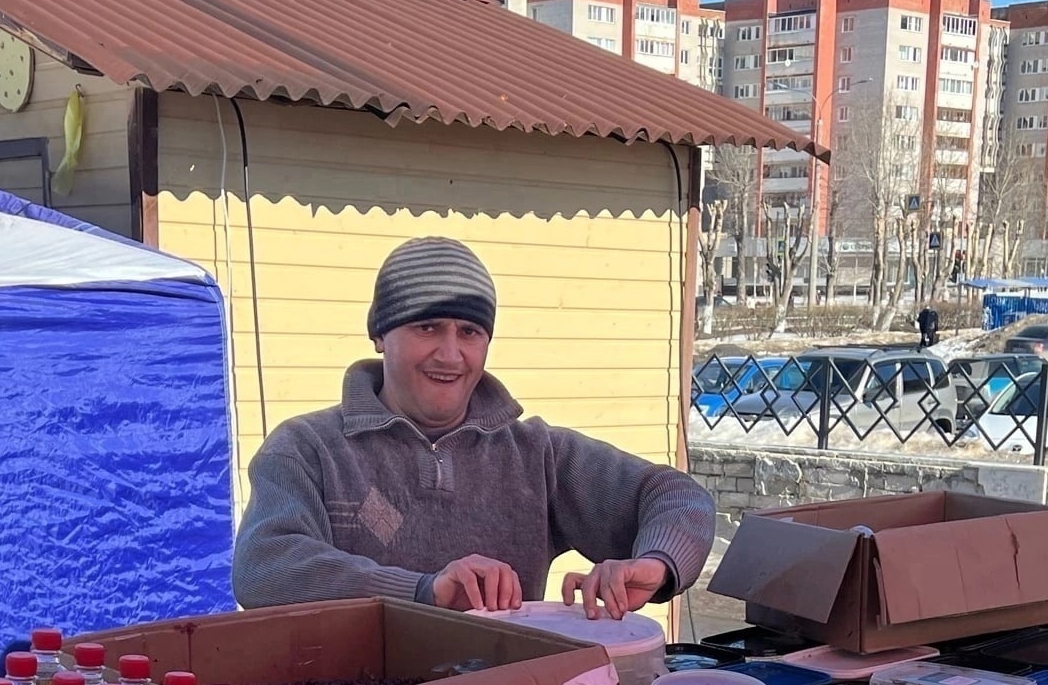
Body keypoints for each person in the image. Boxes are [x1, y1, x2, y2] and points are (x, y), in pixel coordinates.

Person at [232, 237, 716, 619]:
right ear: (380, 334)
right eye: (427, 328)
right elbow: (263, 567)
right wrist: (423, 593)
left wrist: (655, 564)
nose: (450, 354)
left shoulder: (537, 454)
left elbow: (678, 497)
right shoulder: (307, 448)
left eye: (470, 332)